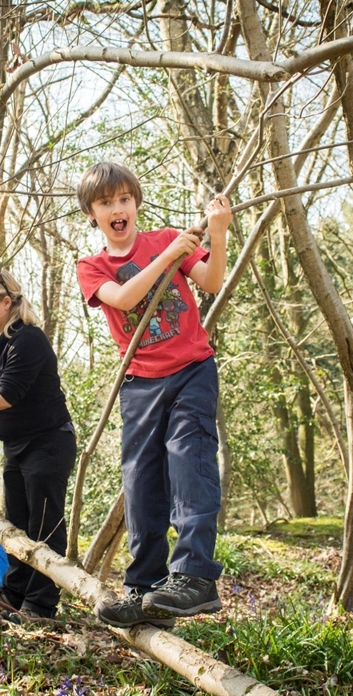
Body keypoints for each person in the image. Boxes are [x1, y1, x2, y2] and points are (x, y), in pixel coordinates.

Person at [75, 161, 233, 628]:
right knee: (140, 483)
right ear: (92, 214)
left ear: (136, 203)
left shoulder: (164, 239)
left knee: (189, 459)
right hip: (140, 385)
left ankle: (195, 576)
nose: (117, 209)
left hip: (190, 372)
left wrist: (218, 233)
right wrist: (168, 258)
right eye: (106, 203)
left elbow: (211, 281)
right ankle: (143, 589)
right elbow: (123, 299)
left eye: (124, 199)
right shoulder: (93, 266)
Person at [0, 269, 76, 619]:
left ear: (6, 302)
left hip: (48, 441)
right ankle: (12, 595)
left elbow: (7, 395)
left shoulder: (29, 339)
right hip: (16, 445)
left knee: (43, 524)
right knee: (17, 523)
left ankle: (40, 604)